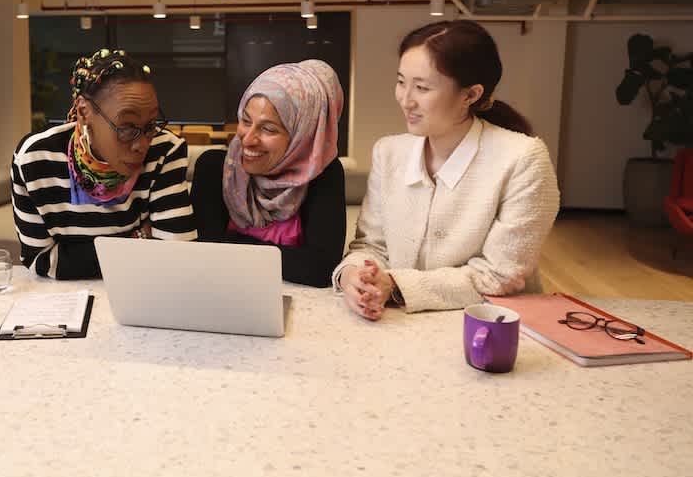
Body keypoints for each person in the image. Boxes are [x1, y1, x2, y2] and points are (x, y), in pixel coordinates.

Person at [334, 20, 559, 319]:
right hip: (400, 330)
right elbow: (370, 245)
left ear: (470, 95)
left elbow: (500, 274)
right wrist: (354, 274)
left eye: (422, 87)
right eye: (401, 82)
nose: (405, 99)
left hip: (490, 328)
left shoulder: (523, 158)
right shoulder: (388, 152)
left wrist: (395, 283)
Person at [11, 48, 197, 279]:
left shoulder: (165, 150)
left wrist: (77, 256)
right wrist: (140, 237)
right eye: (127, 127)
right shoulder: (36, 159)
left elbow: (176, 256)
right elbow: (42, 261)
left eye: (150, 125)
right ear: (83, 112)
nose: (142, 144)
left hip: (144, 293)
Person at [192, 60, 346, 287]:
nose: (248, 139)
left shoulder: (322, 176)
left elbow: (321, 269)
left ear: (303, 135)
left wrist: (233, 243)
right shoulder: (215, 169)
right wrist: (283, 257)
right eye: (246, 121)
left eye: (268, 129)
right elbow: (206, 252)